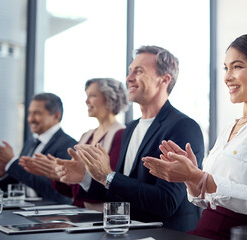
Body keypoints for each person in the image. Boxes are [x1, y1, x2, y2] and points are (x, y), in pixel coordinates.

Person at [142, 33, 247, 240]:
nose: (227, 77)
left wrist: (197, 177)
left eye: (237, 66)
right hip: (205, 232)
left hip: (241, 234)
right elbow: (206, 199)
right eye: (227, 67)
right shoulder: (230, 127)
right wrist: (191, 177)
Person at [55, 45, 205, 232]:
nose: (129, 78)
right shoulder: (131, 127)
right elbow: (120, 189)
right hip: (128, 231)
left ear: (164, 79)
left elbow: (166, 202)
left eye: (139, 71)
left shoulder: (183, 127)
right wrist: (86, 178)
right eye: (129, 71)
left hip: (166, 234)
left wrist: (107, 176)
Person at [19, 78, 129, 208]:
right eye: (87, 96)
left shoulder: (121, 135)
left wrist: (79, 178)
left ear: (110, 98)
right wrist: (58, 175)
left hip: (100, 215)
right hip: (79, 212)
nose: (86, 101)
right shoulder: (86, 136)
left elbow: (111, 184)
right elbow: (72, 191)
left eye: (92, 96)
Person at [0, 93, 76, 203]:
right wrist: (2, 170)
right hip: (27, 209)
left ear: (56, 116)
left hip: (53, 213)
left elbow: (58, 190)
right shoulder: (31, 142)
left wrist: (12, 162)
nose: (30, 119)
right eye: (30, 113)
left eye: (37, 113)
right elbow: (18, 184)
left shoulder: (68, 145)